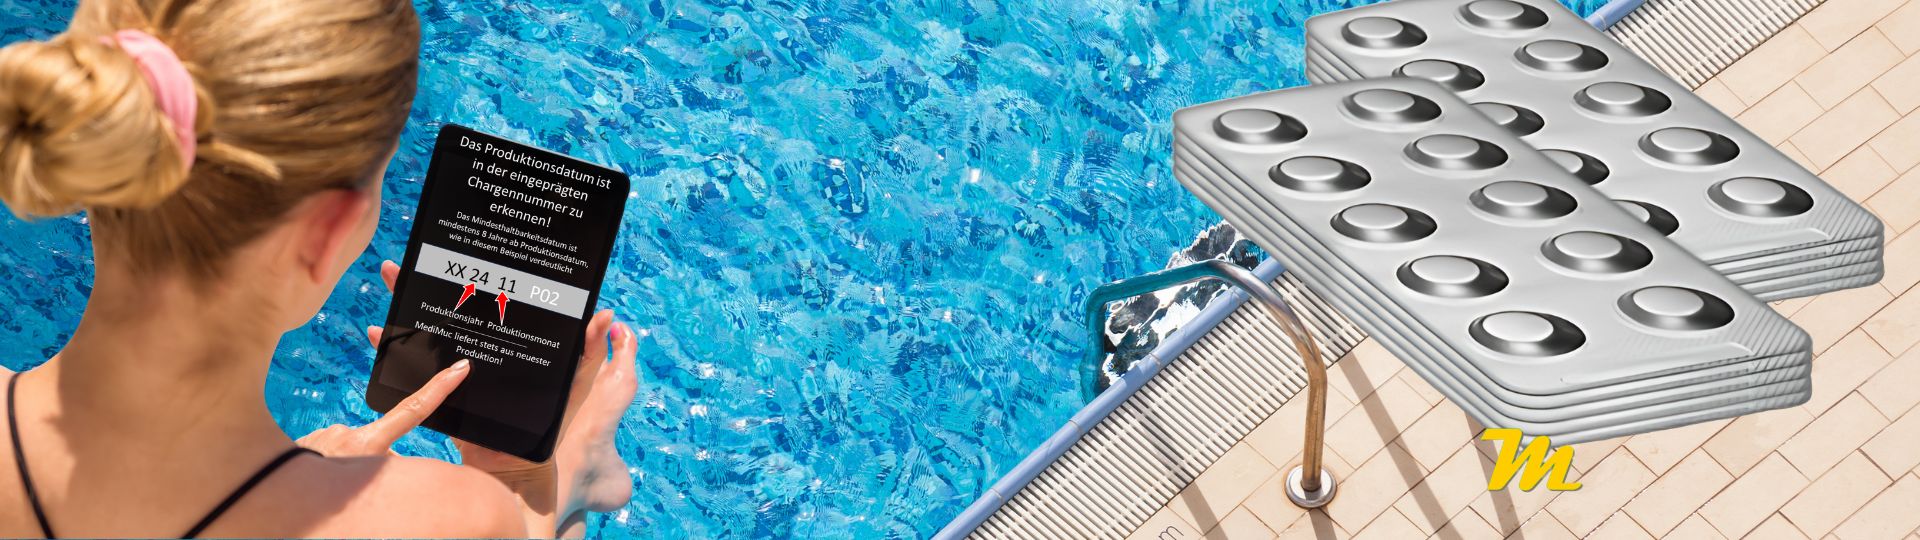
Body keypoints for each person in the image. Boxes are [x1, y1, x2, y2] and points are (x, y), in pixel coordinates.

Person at [0, 0, 637, 536]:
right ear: (327, 232)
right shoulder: (450, 519)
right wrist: (513, 479)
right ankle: (576, 464)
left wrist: (300, 481)